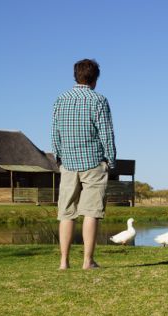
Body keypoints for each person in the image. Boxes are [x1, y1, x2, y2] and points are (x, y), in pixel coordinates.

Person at [52, 59, 116, 270]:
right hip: (93, 162)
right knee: (91, 212)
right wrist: (110, 160)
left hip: (68, 163)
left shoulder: (60, 100)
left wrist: (58, 158)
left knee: (66, 213)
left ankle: (64, 262)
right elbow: (106, 133)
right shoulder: (98, 100)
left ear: (75, 76)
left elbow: (55, 134)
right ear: (95, 78)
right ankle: (87, 261)